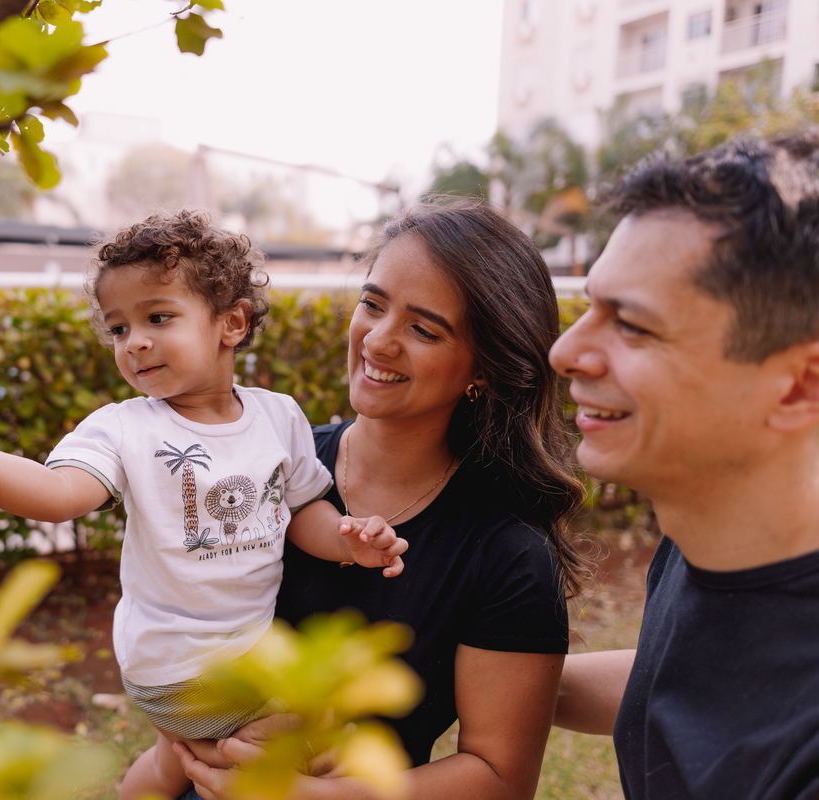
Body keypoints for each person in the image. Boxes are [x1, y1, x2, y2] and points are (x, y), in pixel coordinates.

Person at [0, 210, 407, 800]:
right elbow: (55, 495)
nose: (133, 341)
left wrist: (346, 539)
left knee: (174, 759)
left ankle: (150, 783)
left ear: (231, 323)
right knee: (317, 729)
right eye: (118, 328)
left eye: (157, 317)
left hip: (250, 649)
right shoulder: (125, 429)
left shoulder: (277, 416)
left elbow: (303, 511)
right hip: (177, 664)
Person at [175, 199, 591, 799]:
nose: (378, 340)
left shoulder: (508, 553)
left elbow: (501, 777)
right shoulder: (267, 463)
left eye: (424, 330)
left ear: (484, 368)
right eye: (373, 304)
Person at [549, 132, 819, 799]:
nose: (566, 351)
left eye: (633, 326)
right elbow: (687, 682)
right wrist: (469, 679)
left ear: (798, 386)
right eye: (590, 306)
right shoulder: (716, 521)